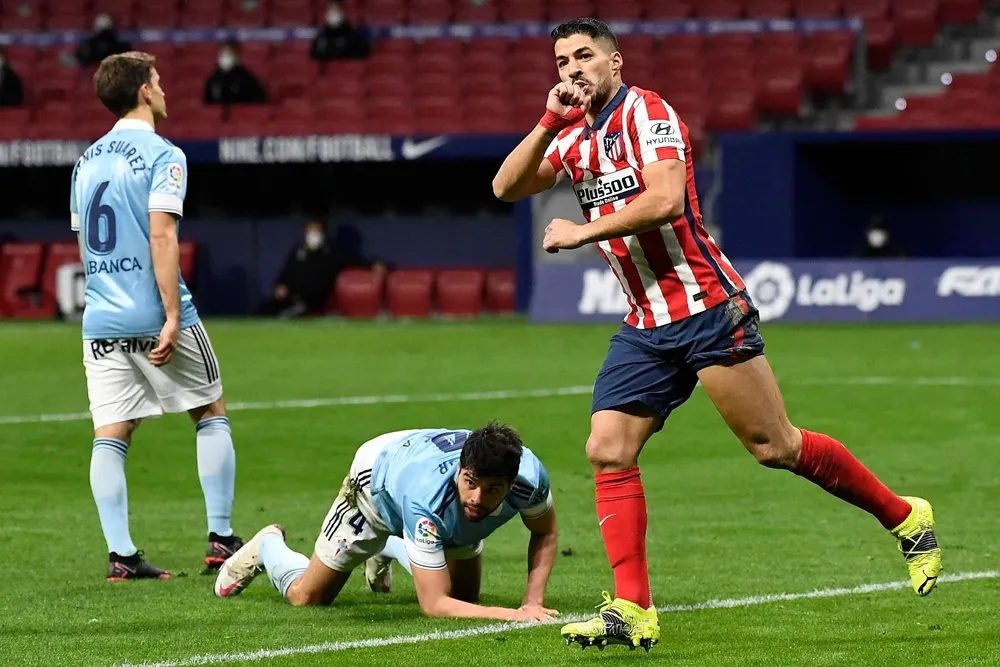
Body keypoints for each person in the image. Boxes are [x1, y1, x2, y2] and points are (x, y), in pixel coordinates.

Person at [492, 18, 941, 652]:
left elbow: (667, 200)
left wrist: (580, 232)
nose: (572, 70)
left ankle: (905, 516)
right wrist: (545, 122)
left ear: (615, 63)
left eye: (585, 56)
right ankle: (632, 609)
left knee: (775, 447)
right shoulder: (570, 139)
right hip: (645, 323)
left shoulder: (649, 113)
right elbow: (505, 186)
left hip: (706, 306)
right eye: (563, 61)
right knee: (608, 449)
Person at [71, 52, 244, 581]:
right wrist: (171, 313)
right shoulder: (163, 154)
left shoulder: (85, 161)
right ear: (144, 91)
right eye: (159, 81)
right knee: (210, 411)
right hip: (153, 310)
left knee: (111, 434)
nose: (165, 89)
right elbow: (162, 233)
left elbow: (85, 243)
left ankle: (121, 555)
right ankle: (220, 538)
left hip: (100, 318)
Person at [214, 423, 560, 623]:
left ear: (511, 484)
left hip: (418, 471)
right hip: (376, 482)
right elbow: (433, 605)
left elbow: (545, 531)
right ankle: (268, 545)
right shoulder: (426, 500)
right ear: (459, 469)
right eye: (470, 482)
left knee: (466, 598)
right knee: (308, 596)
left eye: (492, 490)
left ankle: (391, 547)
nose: (477, 498)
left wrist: (532, 601)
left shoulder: (530, 478)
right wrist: (513, 615)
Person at [260, 221, 384, 317]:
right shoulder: (298, 251)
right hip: (288, 299)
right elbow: (285, 272)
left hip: (310, 303)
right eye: (310, 230)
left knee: (281, 316)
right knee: (264, 310)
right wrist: (281, 285)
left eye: (316, 231)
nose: (313, 234)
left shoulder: (331, 252)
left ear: (322, 233)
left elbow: (354, 261)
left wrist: (373, 265)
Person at [203, 39, 267, 106]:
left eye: (229, 52)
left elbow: (257, 101)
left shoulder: (247, 78)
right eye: (223, 52)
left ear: (236, 54)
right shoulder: (213, 79)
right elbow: (208, 103)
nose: (226, 55)